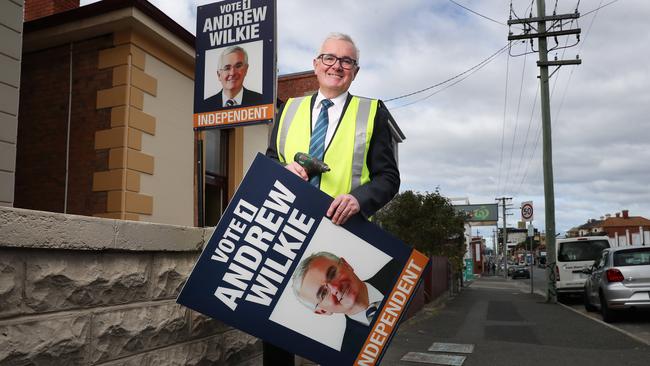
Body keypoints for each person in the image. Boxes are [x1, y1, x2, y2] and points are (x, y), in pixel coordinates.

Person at [264, 32, 400, 364]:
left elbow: (388, 178)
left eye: (346, 61)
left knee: (337, 349)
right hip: (288, 232)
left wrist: (359, 199)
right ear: (316, 64)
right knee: (274, 330)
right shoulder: (288, 109)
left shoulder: (372, 112)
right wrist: (283, 169)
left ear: (355, 70)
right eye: (329, 58)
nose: (336, 66)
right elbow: (269, 162)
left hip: (342, 235)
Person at [291, 251, 401, 354]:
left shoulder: (401, 266)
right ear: (322, 311)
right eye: (323, 293)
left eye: (332, 274)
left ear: (346, 265)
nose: (335, 288)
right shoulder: (351, 355)